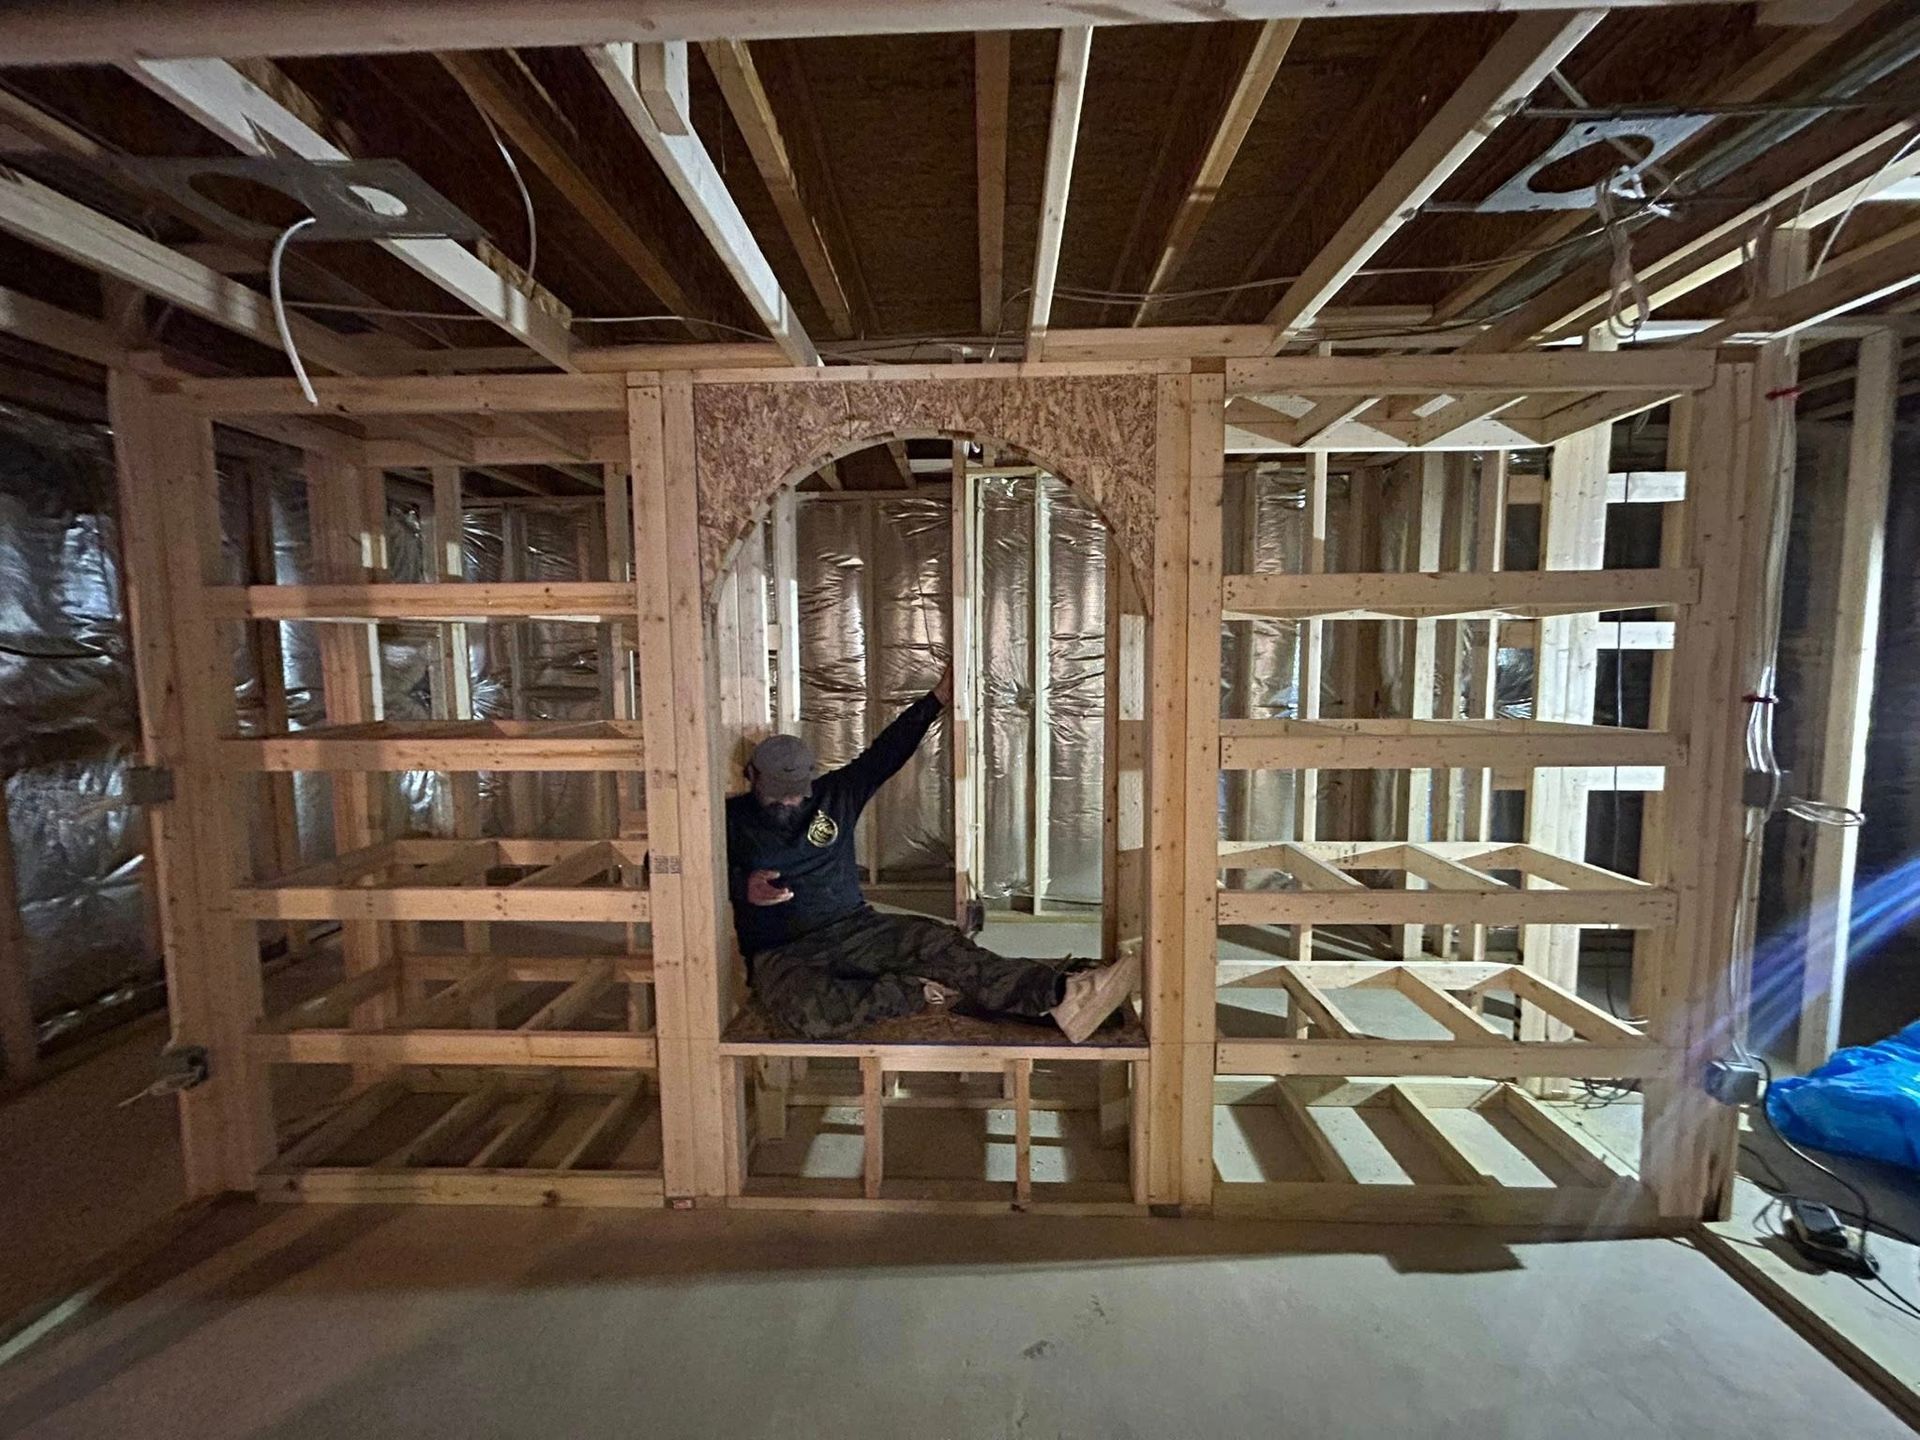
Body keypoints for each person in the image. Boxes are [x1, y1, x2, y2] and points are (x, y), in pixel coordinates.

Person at [726, 662, 1139, 1042]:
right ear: (751, 777)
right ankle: (917, 991)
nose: (786, 804)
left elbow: (887, 751)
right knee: (808, 1013)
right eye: (775, 796)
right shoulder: (727, 820)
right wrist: (742, 885)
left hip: (855, 930)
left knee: (938, 942)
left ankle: (1064, 996)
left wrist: (936, 699)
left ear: (810, 780)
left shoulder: (836, 796)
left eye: (795, 796)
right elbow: (693, 876)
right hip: (782, 952)